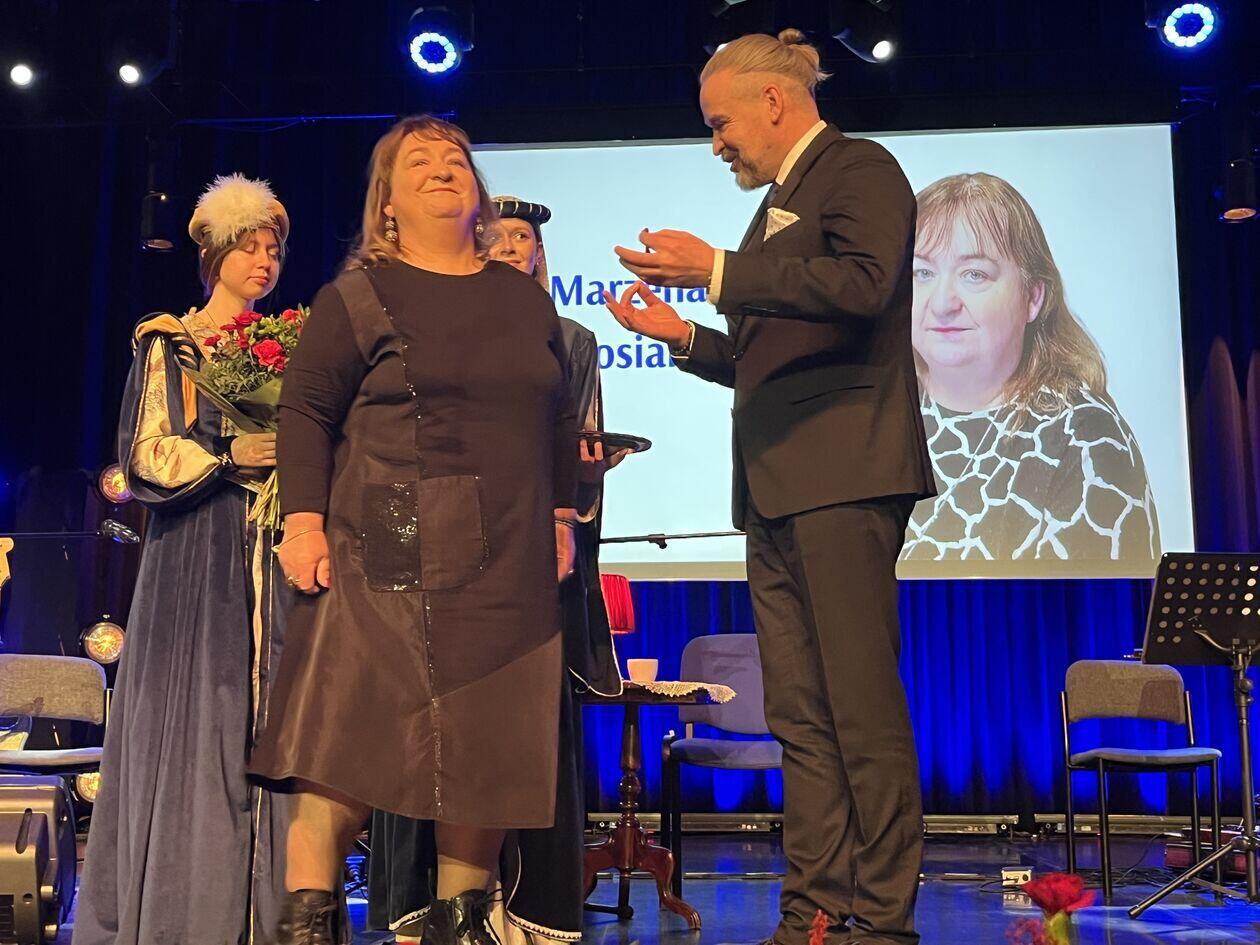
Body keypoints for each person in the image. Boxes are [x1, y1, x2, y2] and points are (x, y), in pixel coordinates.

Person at [602, 30, 933, 945]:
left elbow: (866, 286)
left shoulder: (859, 168)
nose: (716, 143)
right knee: (799, 714)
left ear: (774, 102)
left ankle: (882, 918)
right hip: (776, 488)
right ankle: (813, 908)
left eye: (721, 123)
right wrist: (683, 337)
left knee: (858, 708)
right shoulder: (775, 209)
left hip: (845, 477)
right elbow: (771, 357)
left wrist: (715, 269)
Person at [246, 115, 580, 945]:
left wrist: (560, 512)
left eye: (456, 158)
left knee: (484, 743)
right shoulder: (358, 296)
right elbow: (306, 412)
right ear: (386, 202)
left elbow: (556, 415)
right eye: (419, 161)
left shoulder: (523, 298)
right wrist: (304, 521)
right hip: (384, 534)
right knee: (349, 737)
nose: (442, 168)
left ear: (479, 192)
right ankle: (309, 921)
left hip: (509, 550)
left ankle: (461, 924)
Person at [367, 195, 623, 944]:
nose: (511, 247)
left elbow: (578, 448)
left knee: (523, 722)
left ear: (540, 255)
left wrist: (574, 494)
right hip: (441, 550)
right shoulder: (428, 327)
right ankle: (426, 904)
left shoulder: (568, 339)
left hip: (529, 551)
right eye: (497, 236)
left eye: (523, 238)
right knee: (432, 720)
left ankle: (527, 909)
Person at [74, 175, 296, 945]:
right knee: (200, 721)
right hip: (196, 556)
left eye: (273, 251)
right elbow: (145, 455)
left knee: (271, 721)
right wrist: (233, 454)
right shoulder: (172, 341)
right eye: (250, 248)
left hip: (270, 551)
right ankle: (189, 915)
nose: (264, 262)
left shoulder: (284, 346)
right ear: (215, 255)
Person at [901, 171, 1159, 562]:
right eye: (922, 273)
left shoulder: (1084, 435)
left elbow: (1097, 600)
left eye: (974, 274)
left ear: (1033, 297)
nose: (942, 303)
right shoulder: (867, 419)